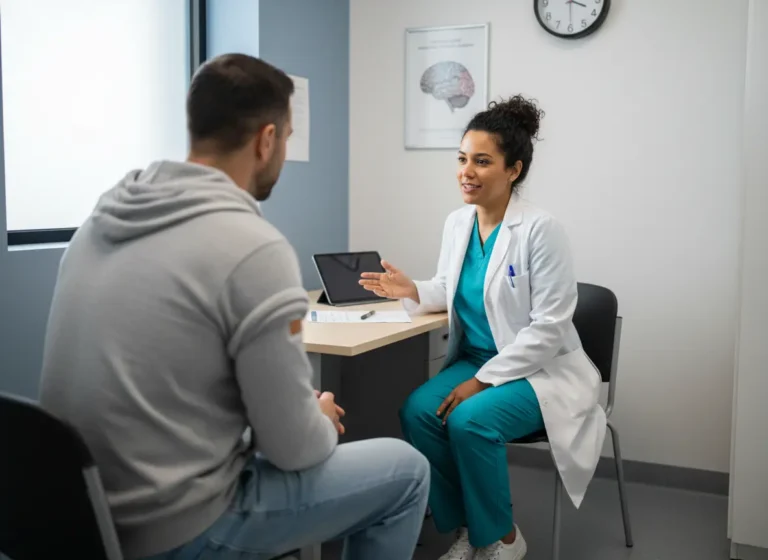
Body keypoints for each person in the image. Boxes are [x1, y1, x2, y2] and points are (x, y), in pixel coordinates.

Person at [38, 53, 429, 560]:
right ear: (267, 140)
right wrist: (314, 417)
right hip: (177, 528)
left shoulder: (99, 222)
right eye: (286, 139)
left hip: (78, 517)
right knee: (407, 471)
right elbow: (295, 450)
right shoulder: (253, 247)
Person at [359, 96, 607, 560]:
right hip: (476, 358)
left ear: (513, 170)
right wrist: (411, 289)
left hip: (539, 371)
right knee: (418, 412)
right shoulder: (458, 223)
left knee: (470, 421)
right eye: (461, 159)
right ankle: (473, 531)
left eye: (482, 161)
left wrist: (483, 381)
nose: (466, 172)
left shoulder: (541, 230)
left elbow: (549, 328)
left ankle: (504, 540)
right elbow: (452, 286)